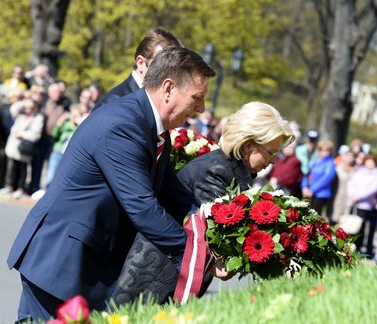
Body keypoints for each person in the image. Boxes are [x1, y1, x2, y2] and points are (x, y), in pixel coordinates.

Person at [7, 47, 217, 322]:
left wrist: (213, 226)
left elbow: (170, 191)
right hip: (61, 263)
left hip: (85, 264)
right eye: (197, 98)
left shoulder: (151, 125)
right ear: (168, 89)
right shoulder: (123, 125)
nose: (201, 108)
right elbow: (142, 208)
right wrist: (199, 253)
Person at [112, 101, 295, 304]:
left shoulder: (229, 168)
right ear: (247, 145)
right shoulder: (216, 171)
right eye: (270, 152)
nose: (274, 161)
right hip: (156, 278)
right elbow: (223, 234)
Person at [92, 28, 183, 110]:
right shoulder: (116, 102)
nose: (170, 73)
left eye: (174, 67)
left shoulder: (153, 99)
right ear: (141, 63)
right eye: (162, 64)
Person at [2, 99, 44, 199]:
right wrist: (25, 101)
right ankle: (10, 186)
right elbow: (13, 109)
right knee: (12, 167)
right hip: (14, 146)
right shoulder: (20, 115)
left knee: (22, 169)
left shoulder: (38, 118)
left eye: (30, 108)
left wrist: (22, 134)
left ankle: (20, 188)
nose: (28, 109)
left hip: (25, 147)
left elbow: (36, 134)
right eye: (26, 107)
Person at [301, 139, 337, 223]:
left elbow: (327, 178)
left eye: (327, 150)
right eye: (321, 149)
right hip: (308, 192)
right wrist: (304, 187)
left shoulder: (330, 163)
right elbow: (307, 174)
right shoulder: (315, 161)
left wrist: (312, 190)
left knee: (314, 219)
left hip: (320, 195)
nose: (324, 152)